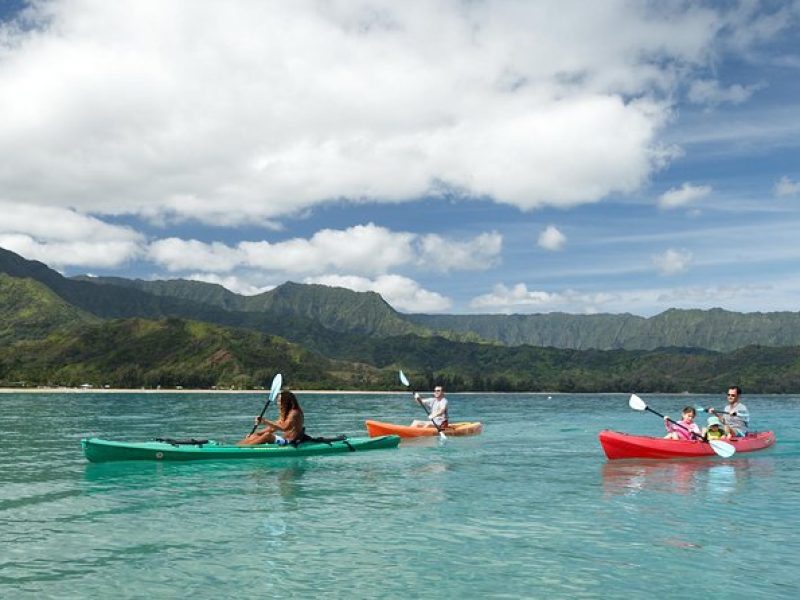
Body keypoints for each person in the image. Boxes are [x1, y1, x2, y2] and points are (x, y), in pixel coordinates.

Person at [238, 390, 304, 445]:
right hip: (284, 440)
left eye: (280, 401)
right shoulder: (285, 414)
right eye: (278, 401)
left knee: (268, 436)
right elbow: (272, 428)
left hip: (291, 442)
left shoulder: (294, 413)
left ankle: (243, 449)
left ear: (287, 402)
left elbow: (284, 428)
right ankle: (238, 446)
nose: (278, 403)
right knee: (255, 435)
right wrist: (257, 434)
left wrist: (265, 422)